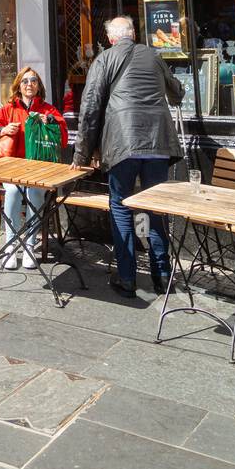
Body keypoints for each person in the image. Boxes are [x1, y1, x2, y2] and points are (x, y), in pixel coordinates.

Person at [73, 15, 184, 299]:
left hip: (123, 142)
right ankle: (162, 275)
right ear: (133, 34)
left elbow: (90, 106)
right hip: (158, 142)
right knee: (154, 206)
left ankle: (127, 278)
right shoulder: (154, 55)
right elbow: (176, 91)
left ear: (111, 38)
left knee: (121, 207)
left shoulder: (104, 59)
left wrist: (82, 152)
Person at [0, 67, 68, 271]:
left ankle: (29, 245)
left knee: (35, 192)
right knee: (12, 191)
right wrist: (2, 130)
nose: (29, 84)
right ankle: (10, 245)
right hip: (13, 168)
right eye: (25, 81)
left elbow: (63, 137)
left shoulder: (48, 109)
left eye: (33, 81)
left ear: (39, 86)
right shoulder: (8, 109)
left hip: (39, 169)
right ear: (18, 86)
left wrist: (49, 122)